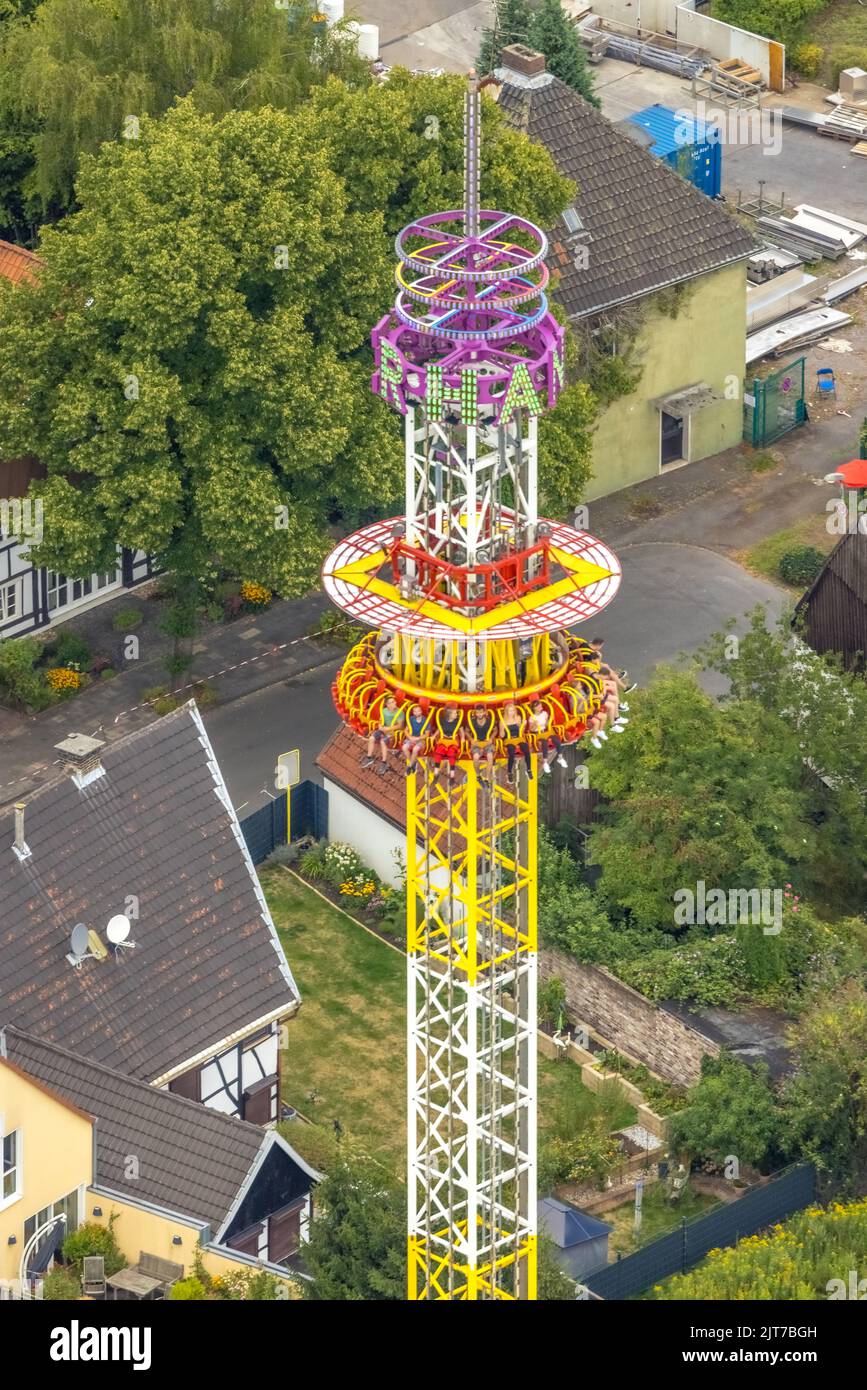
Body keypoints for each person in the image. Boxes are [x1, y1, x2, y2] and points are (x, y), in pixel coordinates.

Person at [361, 695, 404, 775]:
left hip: (393, 733)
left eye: (394, 701)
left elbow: (400, 726)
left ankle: (384, 763)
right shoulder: (384, 711)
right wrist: (380, 726)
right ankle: (369, 757)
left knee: (383, 742)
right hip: (384, 729)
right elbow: (381, 720)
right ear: (387, 704)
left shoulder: (399, 713)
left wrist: (388, 729)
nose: (395, 703)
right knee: (372, 738)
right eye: (392, 702)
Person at [528, 699, 568, 775]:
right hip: (538, 733)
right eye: (538, 705)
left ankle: (560, 757)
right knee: (544, 742)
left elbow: (546, 725)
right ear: (534, 708)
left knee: (556, 739)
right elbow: (531, 729)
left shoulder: (544, 713)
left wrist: (549, 720)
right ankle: (545, 763)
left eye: (540, 705)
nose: (540, 706)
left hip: (545, 731)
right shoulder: (532, 717)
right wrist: (535, 725)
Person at [499, 701, 532, 782]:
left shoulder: (518, 718)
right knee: (511, 751)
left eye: (513, 710)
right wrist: (502, 728)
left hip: (518, 738)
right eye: (510, 711)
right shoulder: (503, 721)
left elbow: (522, 731)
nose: (512, 712)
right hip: (509, 739)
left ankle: (528, 770)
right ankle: (509, 772)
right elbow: (502, 736)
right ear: (507, 711)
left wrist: (523, 725)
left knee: (526, 749)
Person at [432, 703, 463, 782]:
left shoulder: (458, 721)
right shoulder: (443, 721)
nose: (456, 714)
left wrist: (462, 738)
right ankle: (436, 773)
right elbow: (439, 729)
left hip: (453, 740)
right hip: (444, 739)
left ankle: (452, 775)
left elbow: (461, 731)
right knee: (438, 751)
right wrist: (434, 736)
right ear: (449, 714)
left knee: (451, 753)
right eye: (454, 713)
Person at [468, 704, 495, 780]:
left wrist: (491, 739)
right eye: (478, 713)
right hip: (477, 742)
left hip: (487, 742)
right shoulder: (472, 721)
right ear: (475, 713)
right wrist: (471, 739)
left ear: (484, 712)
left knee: (490, 756)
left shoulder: (489, 721)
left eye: (481, 712)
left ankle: (487, 777)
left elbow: (495, 730)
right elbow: (466, 731)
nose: (479, 714)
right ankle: (477, 774)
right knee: (475, 757)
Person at [403, 703, 428, 775]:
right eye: (415, 711)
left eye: (418, 711)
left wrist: (418, 738)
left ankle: (409, 766)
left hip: (420, 740)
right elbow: (406, 730)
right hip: (411, 738)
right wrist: (410, 737)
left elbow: (427, 734)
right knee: (404, 747)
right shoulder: (411, 719)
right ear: (413, 713)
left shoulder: (425, 720)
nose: (417, 713)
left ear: (421, 712)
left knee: (415, 749)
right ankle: (413, 762)